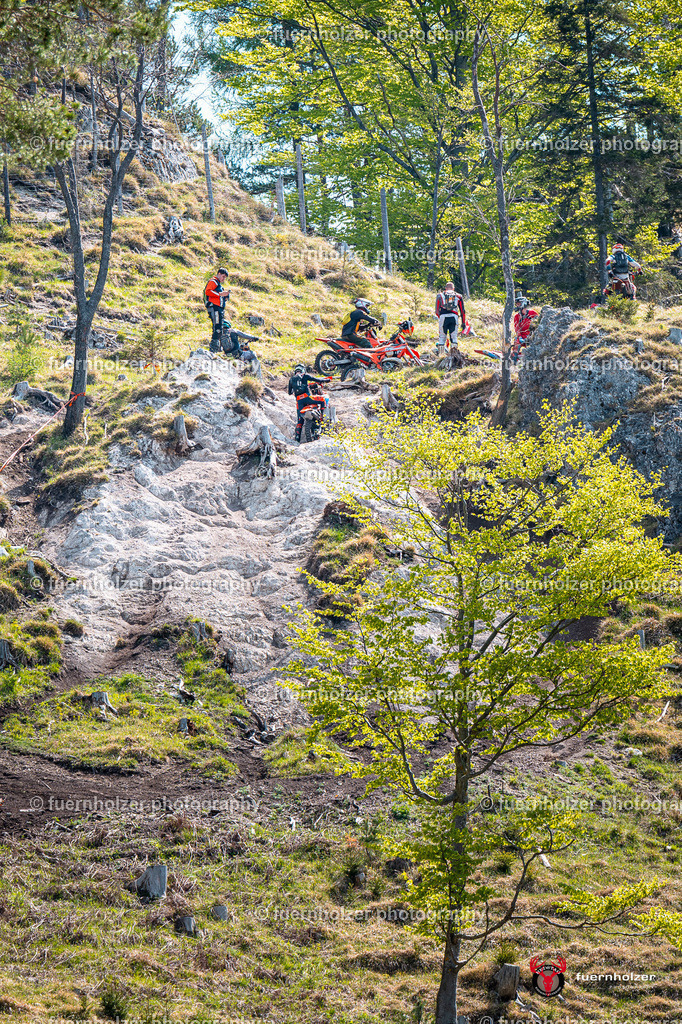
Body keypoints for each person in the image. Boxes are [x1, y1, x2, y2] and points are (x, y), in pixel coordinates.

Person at [288, 364, 331, 442]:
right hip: (308, 398)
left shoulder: (291, 379)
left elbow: (289, 392)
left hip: (299, 401)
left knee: (300, 421)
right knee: (322, 400)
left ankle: (297, 440)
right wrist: (326, 380)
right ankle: (323, 419)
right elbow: (317, 379)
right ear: (303, 370)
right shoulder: (305, 376)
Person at [204, 268, 230, 351]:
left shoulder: (219, 285)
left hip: (218, 308)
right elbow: (208, 291)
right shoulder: (213, 281)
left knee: (219, 326)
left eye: (225, 278)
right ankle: (214, 348)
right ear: (218, 273)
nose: (223, 279)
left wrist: (225, 297)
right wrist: (220, 294)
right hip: (214, 307)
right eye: (223, 276)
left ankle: (217, 347)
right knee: (217, 327)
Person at [435, 283, 466, 352]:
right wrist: (463, 323)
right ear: (453, 288)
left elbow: (437, 311)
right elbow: (462, 311)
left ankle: (441, 355)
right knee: (454, 337)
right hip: (454, 317)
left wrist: (440, 317)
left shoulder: (439, 295)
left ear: (445, 288)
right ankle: (453, 355)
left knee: (442, 337)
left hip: (443, 317)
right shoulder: (458, 296)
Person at [512, 294, 538, 361]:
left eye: (518, 304)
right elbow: (517, 328)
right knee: (516, 342)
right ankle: (514, 358)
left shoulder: (533, 313)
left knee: (531, 349)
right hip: (522, 337)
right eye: (517, 304)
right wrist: (520, 337)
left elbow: (538, 325)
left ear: (523, 304)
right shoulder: (516, 317)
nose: (517, 306)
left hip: (531, 336)